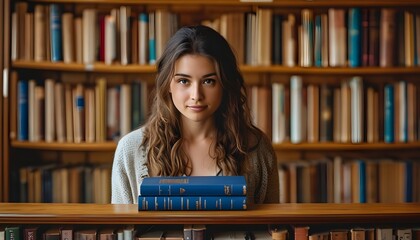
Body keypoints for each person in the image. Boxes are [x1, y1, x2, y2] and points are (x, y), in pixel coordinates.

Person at [111, 25, 279, 204]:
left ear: (225, 84)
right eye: (184, 81)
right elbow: (122, 229)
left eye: (208, 81)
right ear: (168, 83)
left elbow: (272, 228)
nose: (196, 95)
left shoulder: (256, 148)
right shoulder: (130, 150)